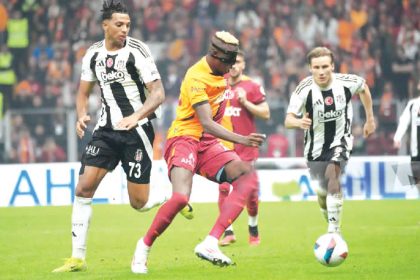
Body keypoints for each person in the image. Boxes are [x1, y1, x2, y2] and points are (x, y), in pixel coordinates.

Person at [52, 0, 191, 273]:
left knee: (138, 204)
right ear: (105, 25)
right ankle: (77, 257)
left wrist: (136, 116)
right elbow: (83, 93)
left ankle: (165, 197)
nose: (125, 29)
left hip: (136, 131)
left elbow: (158, 94)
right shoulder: (92, 54)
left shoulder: (137, 51)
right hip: (105, 130)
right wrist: (81, 114)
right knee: (83, 189)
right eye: (119, 24)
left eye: (128, 24)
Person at [130, 31, 266, 274]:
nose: (231, 68)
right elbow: (206, 122)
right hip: (183, 138)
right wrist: (242, 139)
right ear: (215, 56)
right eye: (228, 62)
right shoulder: (196, 77)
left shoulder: (221, 72)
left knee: (248, 178)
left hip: (208, 143)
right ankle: (143, 247)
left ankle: (211, 242)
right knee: (181, 197)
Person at [285, 46, 375, 234]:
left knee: (333, 175)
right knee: (321, 193)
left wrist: (370, 119)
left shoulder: (346, 82)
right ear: (310, 68)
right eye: (316, 67)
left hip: (339, 141)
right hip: (314, 149)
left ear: (333, 66)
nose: (321, 71)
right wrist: (299, 122)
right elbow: (288, 120)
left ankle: (334, 232)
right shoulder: (304, 89)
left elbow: (364, 88)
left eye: (325, 66)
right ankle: (328, 214)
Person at [218, 50, 270, 246]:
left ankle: (253, 228)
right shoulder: (218, 83)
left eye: (238, 62)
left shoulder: (252, 86)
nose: (234, 65)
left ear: (244, 65)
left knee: (250, 194)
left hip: (246, 148)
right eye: (231, 62)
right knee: (223, 188)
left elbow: (266, 113)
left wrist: (246, 102)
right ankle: (228, 232)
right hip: (223, 148)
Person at [393, 91, 420, 194]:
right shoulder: (413, 104)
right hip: (415, 150)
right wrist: (397, 137)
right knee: (417, 178)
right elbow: (404, 121)